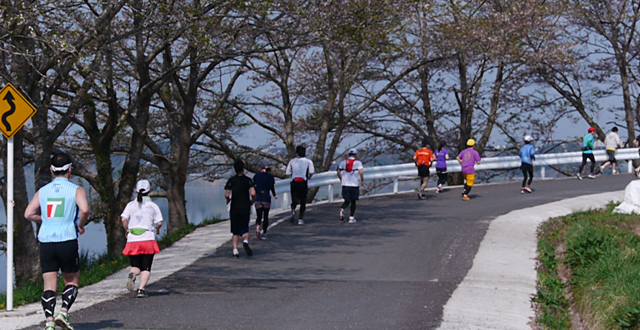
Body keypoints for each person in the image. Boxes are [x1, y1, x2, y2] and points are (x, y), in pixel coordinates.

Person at [24, 153, 90, 330]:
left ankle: (49, 322)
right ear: (70, 170)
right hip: (67, 238)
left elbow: (28, 214)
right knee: (71, 281)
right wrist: (80, 225)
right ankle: (63, 312)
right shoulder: (77, 190)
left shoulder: (42, 191)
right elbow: (84, 209)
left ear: (52, 171)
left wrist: (44, 219)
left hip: (46, 240)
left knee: (49, 284)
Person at [121, 180, 163, 298]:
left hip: (133, 240)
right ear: (149, 191)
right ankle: (141, 290)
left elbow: (124, 219)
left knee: (135, 266)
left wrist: (127, 230)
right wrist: (158, 229)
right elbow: (159, 222)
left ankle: (132, 274)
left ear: (136, 190)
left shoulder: (130, 205)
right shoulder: (153, 206)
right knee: (146, 267)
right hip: (148, 239)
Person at [225, 160, 256, 258]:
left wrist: (228, 200)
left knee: (235, 231)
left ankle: (235, 250)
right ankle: (245, 241)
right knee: (244, 228)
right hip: (245, 206)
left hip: (234, 207)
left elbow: (227, 194)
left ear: (234, 169)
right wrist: (252, 201)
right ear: (243, 169)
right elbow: (253, 193)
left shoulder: (231, 180)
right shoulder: (248, 180)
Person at [285, 146, 315, 225]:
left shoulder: (292, 161)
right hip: (303, 182)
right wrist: (308, 177)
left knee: (294, 199)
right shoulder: (308, 161)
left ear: (296, 153)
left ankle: (293, 209)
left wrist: (292, 175)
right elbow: (312, 172)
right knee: (303, 201)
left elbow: (287, 172)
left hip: (294, 182)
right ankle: (300, 219)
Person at [337, 148, 364, 223]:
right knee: (353, 202)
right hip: (354, 185)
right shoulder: (358, 163)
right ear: (355, 154)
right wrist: (362, 181)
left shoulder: (343, 162)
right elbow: (361, 172)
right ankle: (351, 217)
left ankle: (342, 209)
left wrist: (341, 179)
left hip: (345, 185)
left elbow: (338, 172)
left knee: (346, 200)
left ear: (348, 154)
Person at [253, 159, 277, 239]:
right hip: (266, 197)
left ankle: (258, 225)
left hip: (258, 197)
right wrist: (274, 195)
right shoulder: (270, 177)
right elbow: (271, 187)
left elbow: (253, 186)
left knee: (259, 216)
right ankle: (264, 233)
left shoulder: (256, 176)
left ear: (260, 167)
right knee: (265, 216)